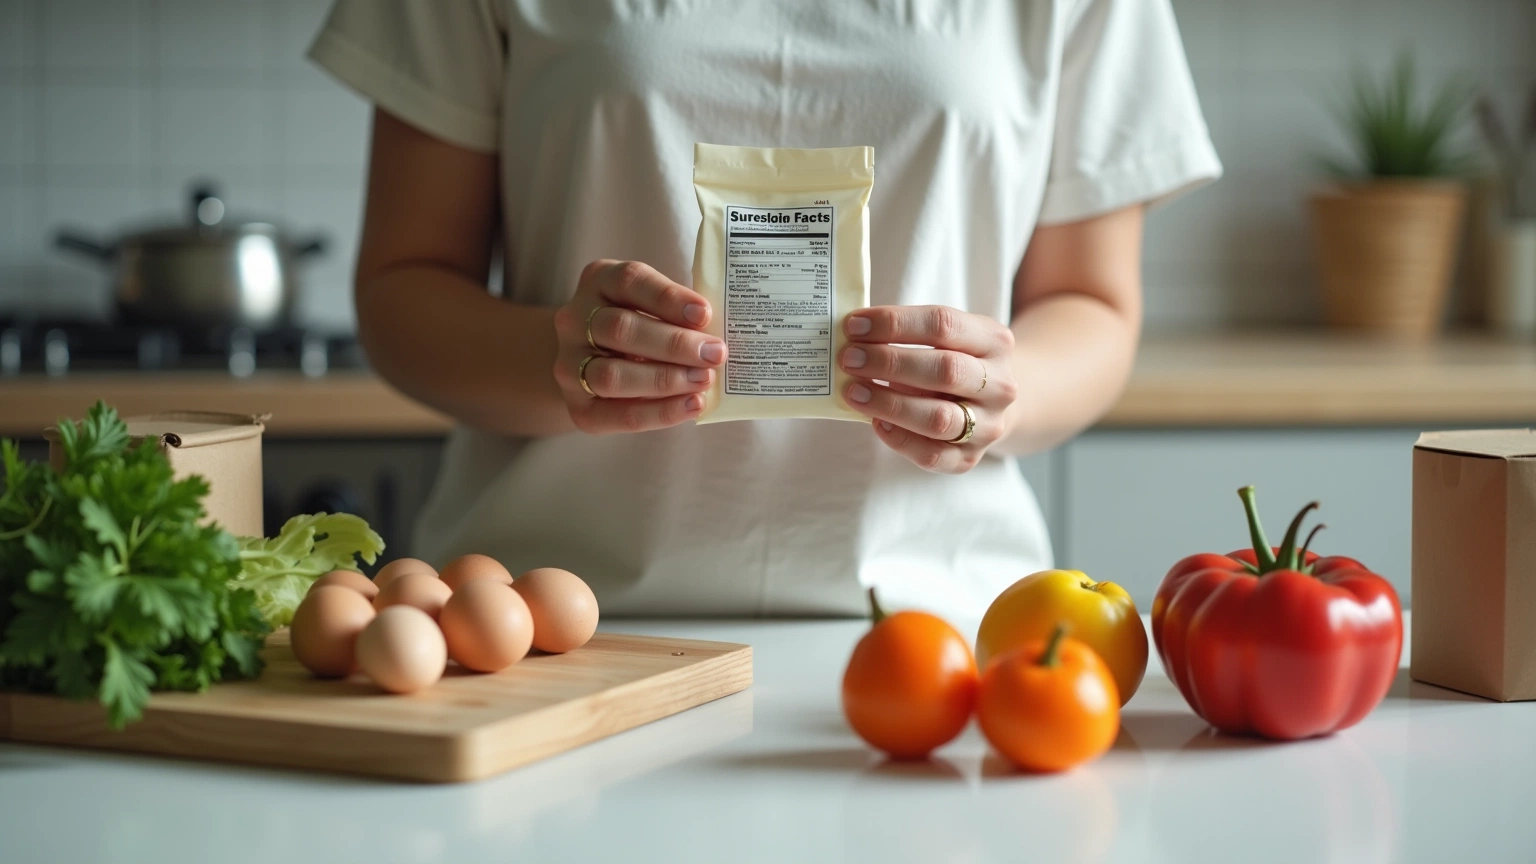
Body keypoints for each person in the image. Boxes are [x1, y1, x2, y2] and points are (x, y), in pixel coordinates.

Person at [308, 1, 1220, 622]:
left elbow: (1094, 305)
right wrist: (556, 357)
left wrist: (999, 390)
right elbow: (403, 285)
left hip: (938, 625)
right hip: (538, 622)